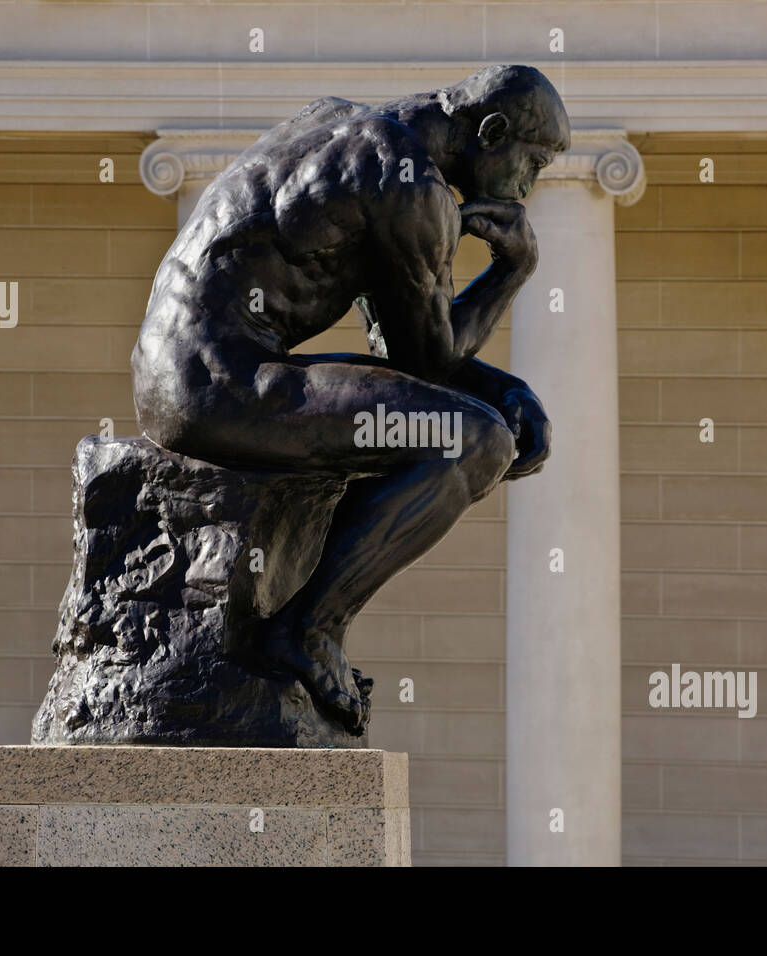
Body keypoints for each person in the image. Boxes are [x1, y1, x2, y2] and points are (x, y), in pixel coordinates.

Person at [131, 65, 570, 733]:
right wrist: (514, 270)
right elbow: (429, 361)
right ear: (491, 130)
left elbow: (400, 349)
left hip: (191, 372)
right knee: (472, 442)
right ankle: (309, 628)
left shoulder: (338, 124)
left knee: (477, 422)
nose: (526, 187)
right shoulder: (413, 187)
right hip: (217, 388)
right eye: (531, 163)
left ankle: (302, 626)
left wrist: (507, 390)